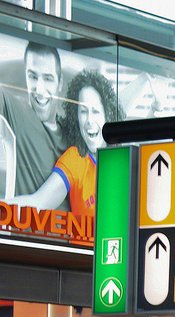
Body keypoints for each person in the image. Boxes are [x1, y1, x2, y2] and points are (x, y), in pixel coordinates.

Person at [12, 69, 122, 216]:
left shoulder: (123, 158)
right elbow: (38, 202)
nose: (89, 120)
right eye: (83, 111)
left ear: (107, 114)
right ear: (75, 117)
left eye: (95, 111)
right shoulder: (75, 159)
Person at [0, 43, 64, 201]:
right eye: (33, 76)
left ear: (60, 83)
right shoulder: (14, 109)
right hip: (24, 222)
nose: (40, 89)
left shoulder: (73, 130)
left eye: (48, 79)